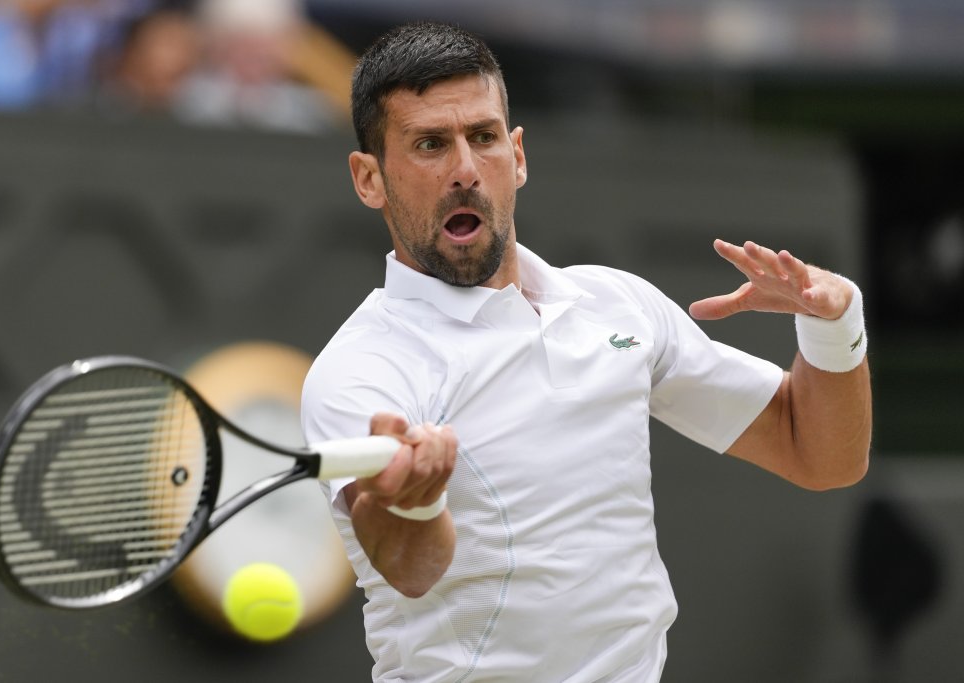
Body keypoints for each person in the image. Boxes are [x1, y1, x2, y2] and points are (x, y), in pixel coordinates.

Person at [300, 21, 871, 683]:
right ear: (369, 178)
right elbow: (411, 569)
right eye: (430, 144)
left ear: (517, 155)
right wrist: (416, 500)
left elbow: (821, 455)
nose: (464, 171)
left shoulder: (617, 304)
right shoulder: (362, 370)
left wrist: (836, 325)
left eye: (483, 137)